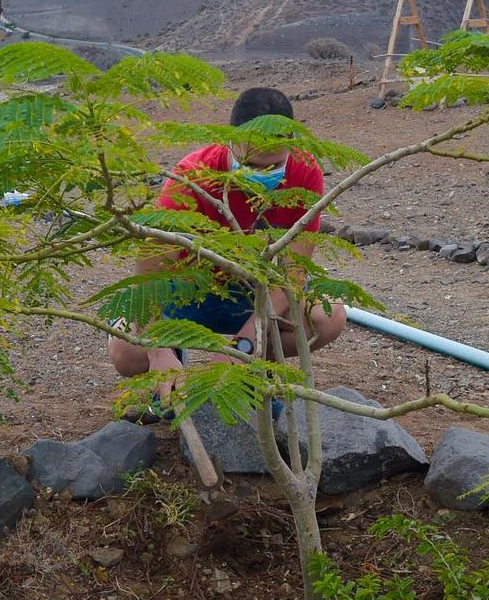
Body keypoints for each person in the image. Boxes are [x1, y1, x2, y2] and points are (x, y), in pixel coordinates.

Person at [107, 87, 347, 411]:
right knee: (126, 352)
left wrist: (241, 347)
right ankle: (169, 368)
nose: (262, 175)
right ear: (230, 140)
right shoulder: (192, 177)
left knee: (328, 317)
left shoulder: (305, 173)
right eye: (253, 165)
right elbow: (150, 274)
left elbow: (291, 276)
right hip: (191, 288)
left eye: (273, 165)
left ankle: (256, 367)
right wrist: (159, 351)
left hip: (253, 293)